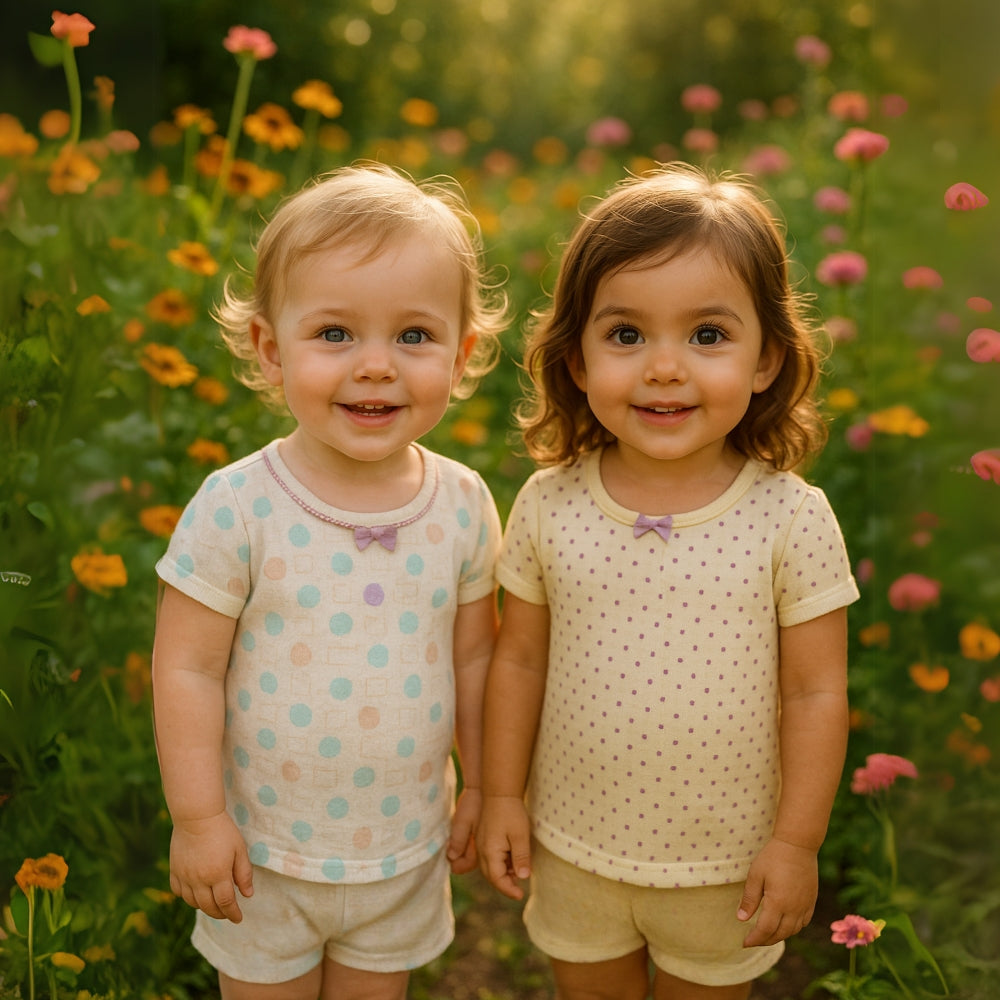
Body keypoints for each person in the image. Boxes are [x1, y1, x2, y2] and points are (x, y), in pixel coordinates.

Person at [477, 163, 860, 1000]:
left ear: (767, 361)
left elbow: (814, 694)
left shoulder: (790, 519)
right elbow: (519, 663)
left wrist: (795, 845)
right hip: (575, 844)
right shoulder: (551, 503)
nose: (663, 368)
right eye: (625, 336)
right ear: (574, 358)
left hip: (725, 862)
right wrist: (499, 793)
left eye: (708, 336)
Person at [152, 163, 506, 1000]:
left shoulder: (461, 504)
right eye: (336, 334)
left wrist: (488, 788)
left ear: (461, 355)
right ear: (272, 350)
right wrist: (200, 821)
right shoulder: (238, 505)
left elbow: (476, 663)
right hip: (261, 851)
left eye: (413, 337)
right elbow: (187, 667)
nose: (376, 367)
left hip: (402, 847)